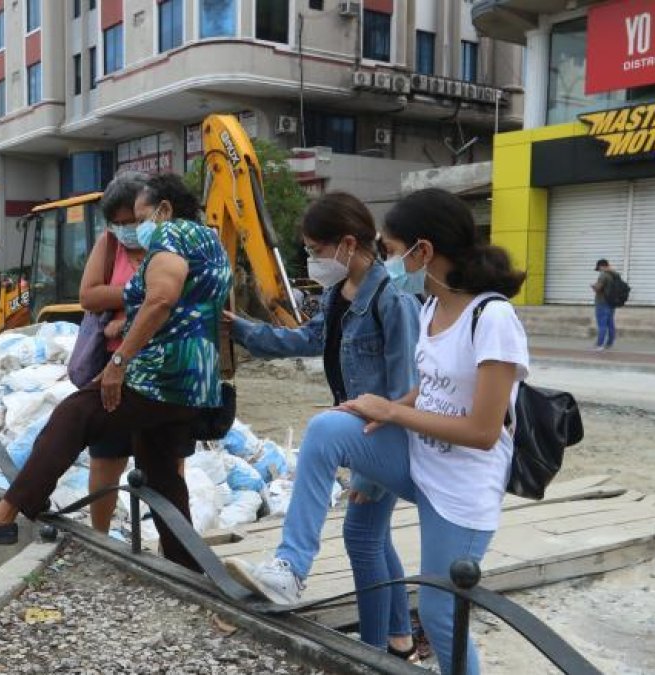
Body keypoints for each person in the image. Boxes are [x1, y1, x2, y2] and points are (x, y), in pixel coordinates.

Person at [224, 188, 529, 675]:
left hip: (462, 486)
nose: (387, 261)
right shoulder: (430, 309)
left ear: (422, 251)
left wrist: (390, 412)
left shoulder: (491, 318)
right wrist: (384, 410)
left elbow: (483, 431)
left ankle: (399, 648)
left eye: (390, 250)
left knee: (441, 614)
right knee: (326, 429)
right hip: (420, 460)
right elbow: (424, 390)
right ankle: (290, 569)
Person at [0, 173, 232, 570]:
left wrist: (118, 360)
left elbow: (161, 298)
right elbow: (175, 305)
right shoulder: (209, 240)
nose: (139, 228)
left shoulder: (172, 235)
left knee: (75, 414)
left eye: (142, 216)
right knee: (162, 474)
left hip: (159, 377)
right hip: (195, 383)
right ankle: (190, 567)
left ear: (163, 210)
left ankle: (5, 514)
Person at [224, 192, 422, 659]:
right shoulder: (339, 294)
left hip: (387, 437)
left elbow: (406, 390)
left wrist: (369, 470)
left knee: (362, 534)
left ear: (348, 244)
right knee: (369, 536)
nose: (312, 260)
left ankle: (371, 649)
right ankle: (396, 641)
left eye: (316, 250)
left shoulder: (393, 298)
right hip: (365, 436)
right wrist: (244, 329)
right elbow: (307, 339)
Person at [77, 171, 187, 534]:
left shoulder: (173, 242)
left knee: (168, 466)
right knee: (106, 457)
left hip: (167, 371)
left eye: (133, 220)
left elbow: (180, 301)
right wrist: (145, 292)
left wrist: (129, 312)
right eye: (118, 222)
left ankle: (176, 547)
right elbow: (89, 296)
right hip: (116, 370)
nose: (127, 229)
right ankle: (101, 537)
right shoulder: (109, 245)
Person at [592, 258, 617, 351]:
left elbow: (598, 288)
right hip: (611, 303)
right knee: (610, 324)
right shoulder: (615, 275)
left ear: (601, 266)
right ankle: (609, 343)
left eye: (599, 268)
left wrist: (594, 286)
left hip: (602, 303)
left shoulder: (603, 275)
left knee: (602, 325)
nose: (599, 270)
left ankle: (600, 345)